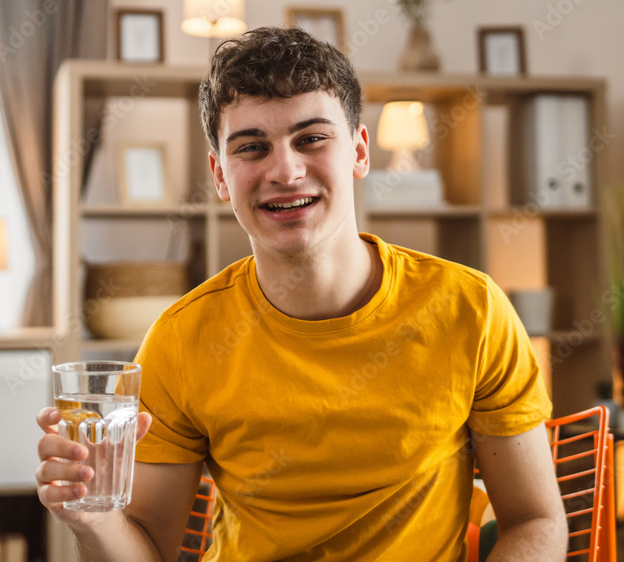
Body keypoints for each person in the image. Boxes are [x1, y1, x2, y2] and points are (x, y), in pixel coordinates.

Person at [36, 26, 567, 561]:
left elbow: (535, 521)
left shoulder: (472, 310)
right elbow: (147, 551)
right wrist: (94, 518)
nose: (285, 171)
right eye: (252, 147)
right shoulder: (181, 340)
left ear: (359, 151)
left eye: (311, 139)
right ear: (220, 176)